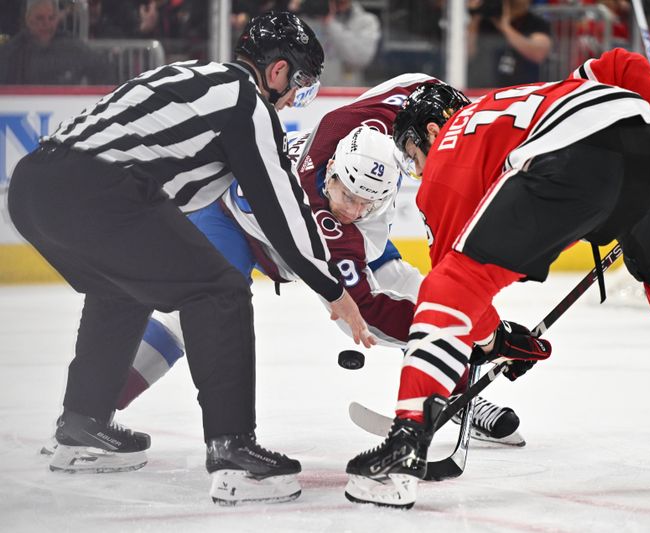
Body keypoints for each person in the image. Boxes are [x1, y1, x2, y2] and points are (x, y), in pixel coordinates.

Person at [343, 48, 650, 509]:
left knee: (447, 287)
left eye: (410, 154)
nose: (417, 169)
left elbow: (456, 288)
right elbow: (622, 64)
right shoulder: (534, 95)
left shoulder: (450, 145)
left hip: (576, 161)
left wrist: (496, 339)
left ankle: (402, 453)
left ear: (433, 131)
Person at [40, 74, 527, 453]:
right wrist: (477, 335)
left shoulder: (403, 116)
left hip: (312, 212)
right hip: (236, 220)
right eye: (350, 196)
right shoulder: (332, 219)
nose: (355, 207)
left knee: (411, 284)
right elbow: (368, 314)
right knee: (191, 320)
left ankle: (461, 391)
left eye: (368, 203)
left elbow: (393, 119)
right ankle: (93, 414)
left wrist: (477, 325)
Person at [8, 11, 375, 505]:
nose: (294, 101)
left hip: (33, 186)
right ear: (278, 71)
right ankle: (234, 452)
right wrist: (333, 289)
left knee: (119, 286)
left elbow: (168, 193)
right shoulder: (246, 102)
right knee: (219, 289)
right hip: (97, 189)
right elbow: (280, 207)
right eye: (300, 86)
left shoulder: (188, 78)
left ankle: (83, 425)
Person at [0, 0, 113, 85]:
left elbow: (102, 68)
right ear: (28, 20)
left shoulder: (72, 46)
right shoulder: (12, 50)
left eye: (51, 18)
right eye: (40, 18)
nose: (46, 24)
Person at [467, 0, 552, 88]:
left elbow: (538, 54)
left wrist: (505, 27)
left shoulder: (536, 23)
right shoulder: (485, 20)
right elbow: (466, 54)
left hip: (523, 89)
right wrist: (475, 15)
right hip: (483, 88)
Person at [301, 0, 381, 86]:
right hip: (311, 94)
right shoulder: (306, 20)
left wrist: (330, 23)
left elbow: (359, 59)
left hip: (346, 95)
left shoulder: (366, 21)